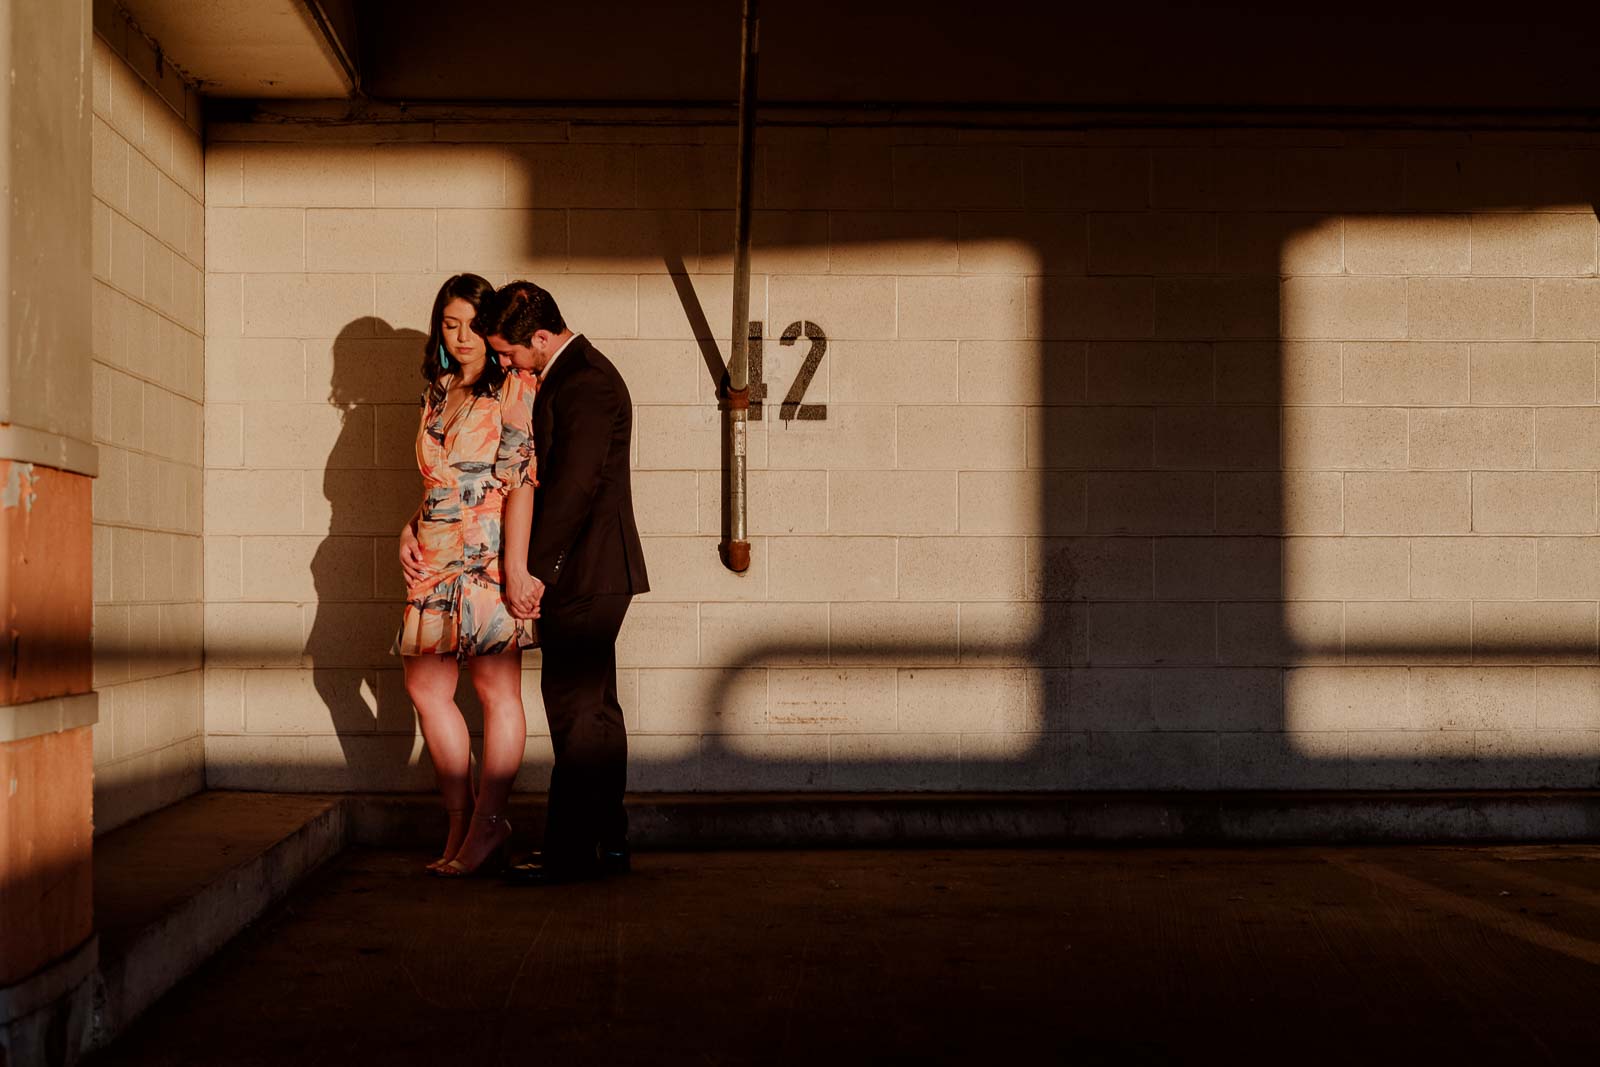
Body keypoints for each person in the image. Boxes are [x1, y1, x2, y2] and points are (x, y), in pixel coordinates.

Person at [475, 280, 648, 885]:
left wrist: (530, 575)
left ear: (541, 338)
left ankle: (569, 854)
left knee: (576, 715)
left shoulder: (587, 384)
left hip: (585, 574)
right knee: (597, 716)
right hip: (593, 572)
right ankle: (611, 842)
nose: (504, 363)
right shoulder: (574, 377)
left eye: (509, 352)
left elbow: (573, 491)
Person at [395, 273, 538, 877]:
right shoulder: (438, 391)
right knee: (426, 688)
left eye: (472, 325)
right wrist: (408, 527)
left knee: (494, 691)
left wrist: (515, 569)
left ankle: (487, 825)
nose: (460, 337)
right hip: (431, 553)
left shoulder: (514, 387)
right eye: (449, 325)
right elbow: (437, 479)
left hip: (487, 554)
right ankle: (461, 821)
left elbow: (523, 482)